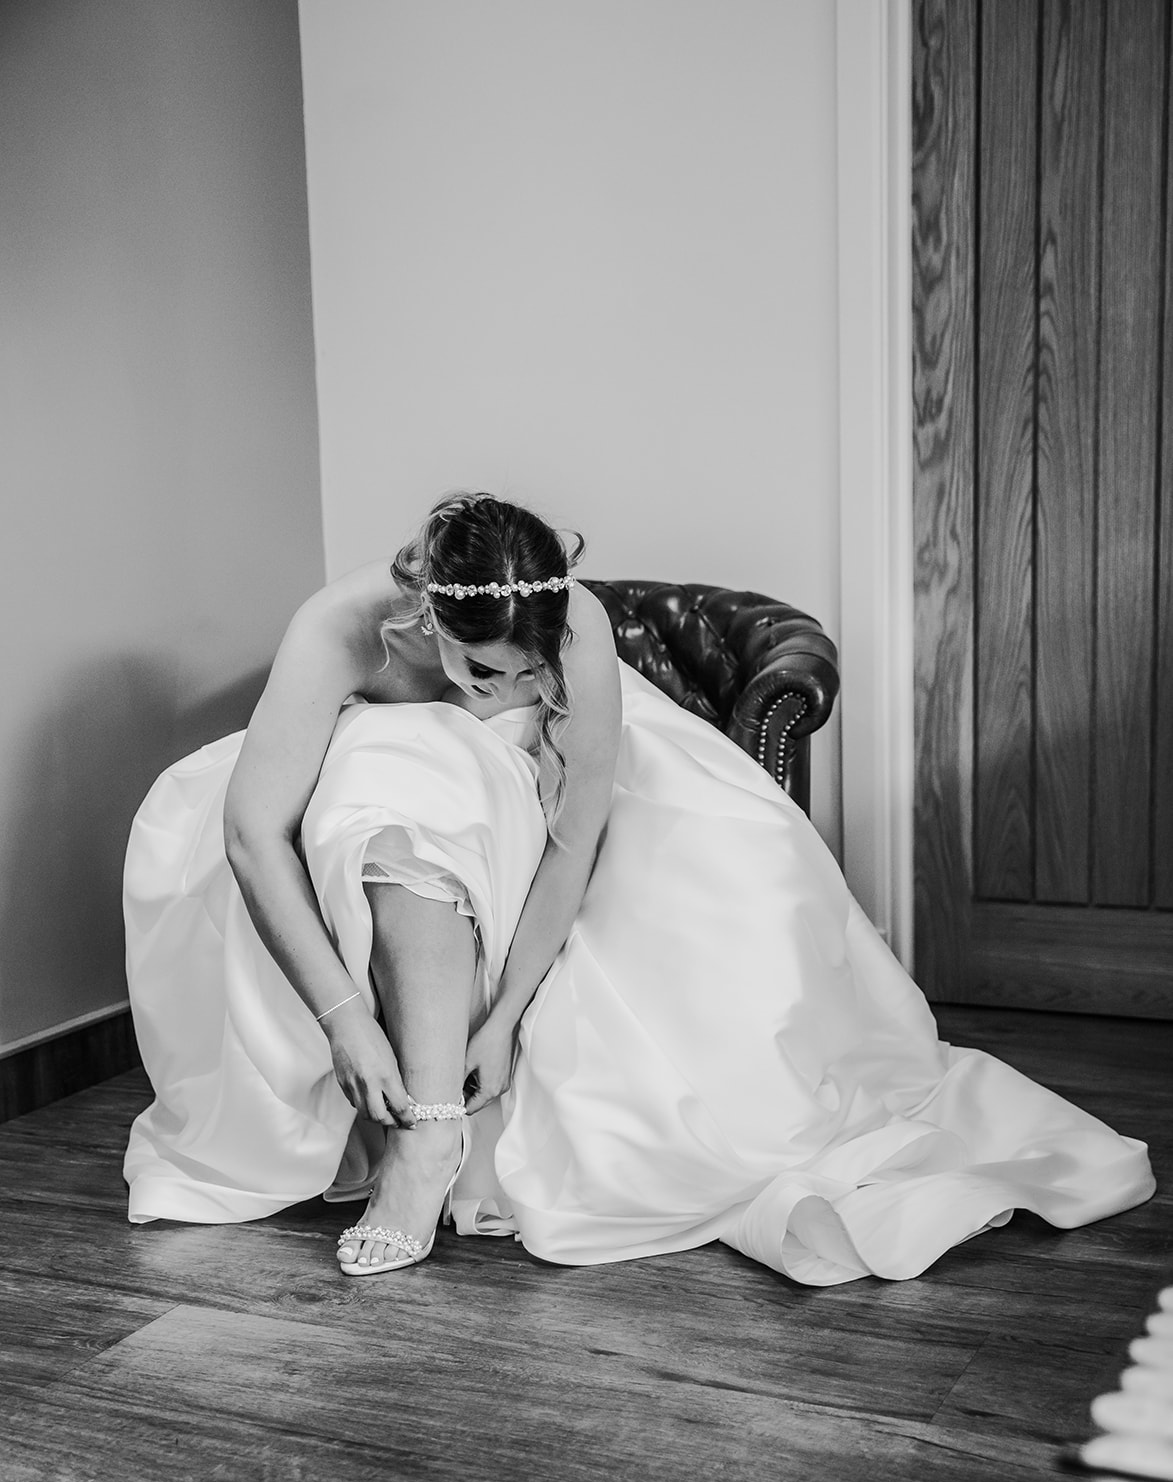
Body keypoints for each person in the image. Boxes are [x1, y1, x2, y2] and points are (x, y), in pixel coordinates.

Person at [123, 492, 1155, 1282]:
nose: (496, 695)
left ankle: (434, 1122)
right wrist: (344, 1019)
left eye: (522, 676)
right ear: (428, 619)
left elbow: (575, 840)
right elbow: (254, 833)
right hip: (393, 783)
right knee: (397, 780)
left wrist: (508, 1016)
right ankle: (425, 1134)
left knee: (729, 887)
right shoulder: (342, 628)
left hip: (551, 789)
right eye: (478, 672)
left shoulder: (571, 638)